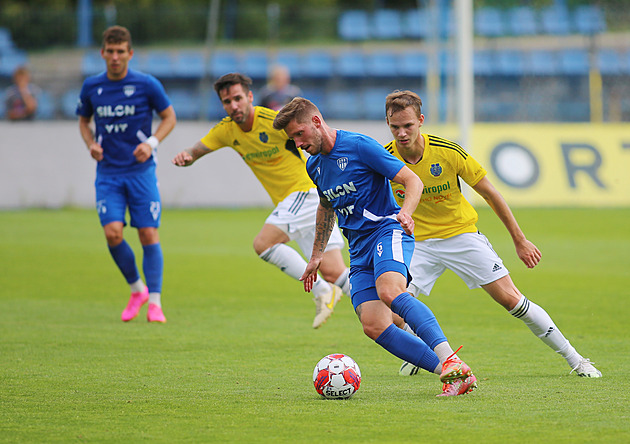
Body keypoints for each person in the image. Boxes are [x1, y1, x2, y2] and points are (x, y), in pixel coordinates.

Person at [383, 90, 601, 378]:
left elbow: (491, 193)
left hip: (460, 236)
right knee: (394, 314)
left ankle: (576, 359)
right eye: (395, 126)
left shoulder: (448, 152)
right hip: (418, 244)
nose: (401, 133)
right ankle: (424, 354)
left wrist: (519, 240)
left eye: (407, 125)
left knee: (512, 300)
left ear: (421, 121)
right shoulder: (384, 158)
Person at [273, 97, 478, 397]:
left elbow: (412, 181)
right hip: (358, 251)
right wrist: (316, 255)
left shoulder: (358, 146)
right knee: (374, 324)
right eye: (292, 138)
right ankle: (456, 375)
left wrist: (406, 212)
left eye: (299, 133)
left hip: (387, 231)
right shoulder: (315, 166)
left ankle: (449, 358)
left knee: (390, 291)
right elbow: (325, 206)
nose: (298, 143)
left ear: (316, 122)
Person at [171, 73, 348, 329]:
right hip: (297, 204)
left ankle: (322, 291)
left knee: (263, 244)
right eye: (227, 101)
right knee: (336, 273)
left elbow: (313, 136)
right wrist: (186, 156)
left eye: (238, 98)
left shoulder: (272, 122)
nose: (233, 106)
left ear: (250, 97)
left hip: (305, 193)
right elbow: (196, 150)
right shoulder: (226, 130)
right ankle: (396, 313)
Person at [77, 26, 177, 323]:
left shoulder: (146, 84)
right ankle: (137, 290)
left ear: (130, 54)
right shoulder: (92, 87)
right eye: (111, 52)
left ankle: (155, 302)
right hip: (108, 173)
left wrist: (151, 143)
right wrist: (90, 143)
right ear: (103, 53)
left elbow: (169, 117)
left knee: (147, 233)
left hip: (141, 172)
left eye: (121, 52)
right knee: (112, 233)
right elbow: (84, 121)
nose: (116, 57)